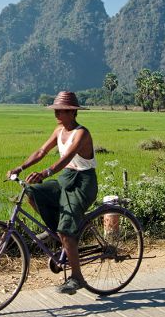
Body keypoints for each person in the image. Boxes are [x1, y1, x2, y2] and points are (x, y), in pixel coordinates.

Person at [6, 90, 98, 295]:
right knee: (32, 191)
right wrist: (20, 168)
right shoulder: (58, 130)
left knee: (66, 229)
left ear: (73, 112)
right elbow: (41, 152)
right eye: (56, 110)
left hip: (84, 182)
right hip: (65, 178)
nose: (57, 114)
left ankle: (77, 277)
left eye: (62, 110)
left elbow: (68, 157)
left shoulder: (82, 133)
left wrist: (46, 172)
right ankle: (55, 231)